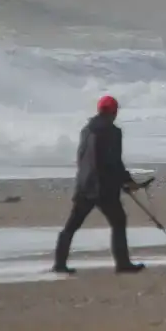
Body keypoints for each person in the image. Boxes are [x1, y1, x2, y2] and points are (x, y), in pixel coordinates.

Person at [53, 95, 146, 274]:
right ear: (114, 111)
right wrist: (126, 181)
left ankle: (59, 263)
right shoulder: (113, 132)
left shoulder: (86, 130)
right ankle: (123, 264)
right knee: (119, 221)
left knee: (72, 225)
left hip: (84, 185)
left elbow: (82, 158)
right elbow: (114, 162)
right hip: (103, 188)